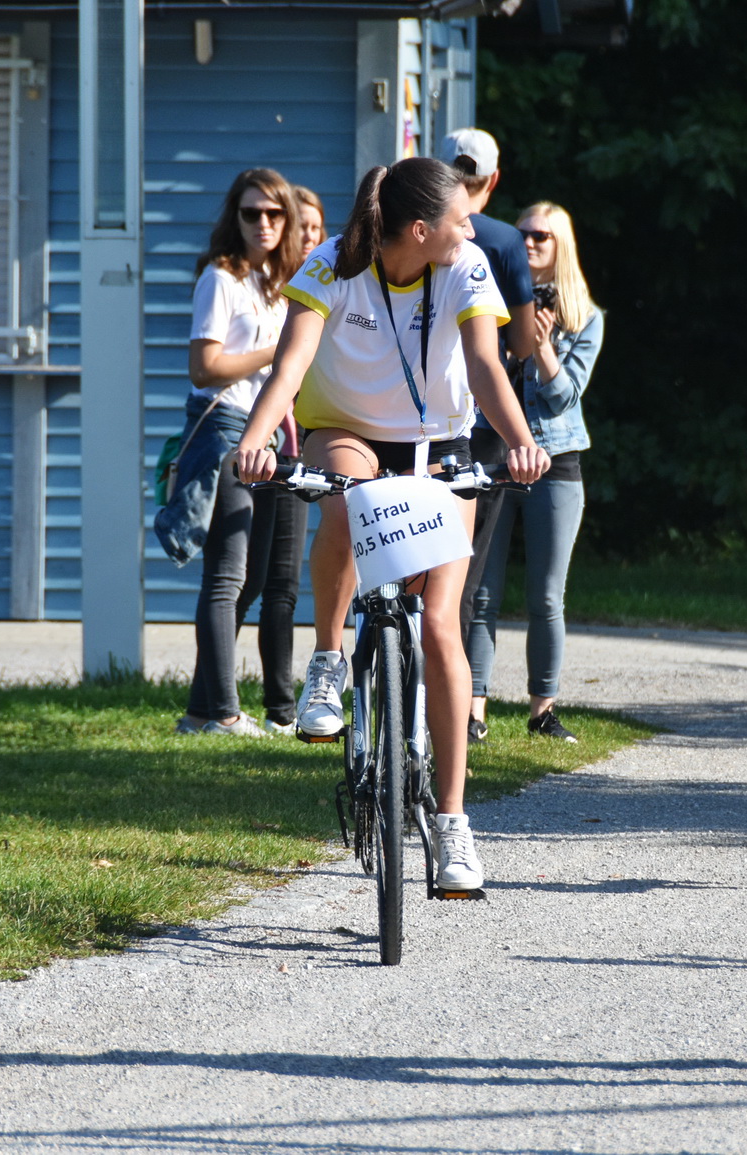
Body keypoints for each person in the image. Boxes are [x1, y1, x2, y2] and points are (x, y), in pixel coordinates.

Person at [235, 157, 550, 891]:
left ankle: (451, 822)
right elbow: (291, 364)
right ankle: (328, 659)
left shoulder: (465, 265)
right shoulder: (331, 266)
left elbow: (484, 367)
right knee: (349, 494)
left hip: (438, 444)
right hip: (347, 430)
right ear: (419, 229)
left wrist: (521, 441)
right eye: (457, 217)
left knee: (440, 624)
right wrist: (256, 438)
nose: (471, 227)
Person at [162, 168, 313, 737]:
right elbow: (205, 367)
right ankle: (224, 713)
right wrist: (277, 351)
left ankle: (200, 711)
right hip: (225, 429)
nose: (264, 224)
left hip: (268, 432)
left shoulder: (277, 283)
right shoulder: (221, 278)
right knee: (226, 577)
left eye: (275, 213)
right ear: (236, 217)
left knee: (250, 579)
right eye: (252, 213)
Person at [466, 203, 603, 745]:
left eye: (540, 236)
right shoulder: (488, 299)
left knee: (546, 596)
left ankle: (542, 710)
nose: (527, 243)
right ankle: (473, 709)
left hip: (556, 461)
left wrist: (542, 345)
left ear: (560, 244)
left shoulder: (585, 316)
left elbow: (566, 396)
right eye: (520, 234)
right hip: (494, 457)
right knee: (480, 592)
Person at [436, 128, 538, 744]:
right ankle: (462, 708)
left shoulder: (413, 233)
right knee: (466, 574)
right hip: (484, 424)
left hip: (413, 418)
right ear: (493, 181)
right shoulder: (501, 239)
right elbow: (519, 346)